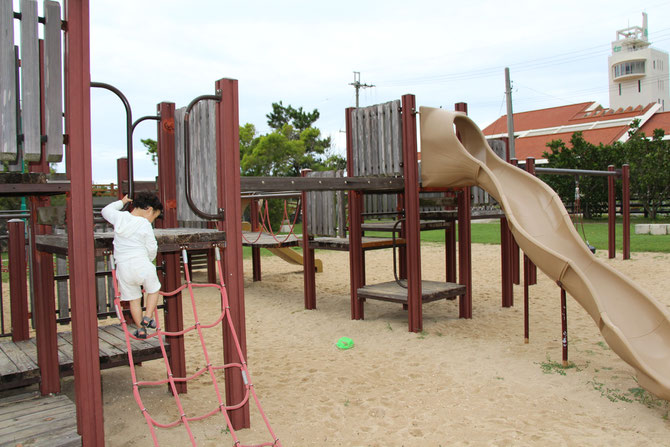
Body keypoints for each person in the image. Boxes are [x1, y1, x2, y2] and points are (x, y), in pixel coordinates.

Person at [101, 192, 163, 339]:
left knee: (134, 299)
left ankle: (141, 328)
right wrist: (149, 259)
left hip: (123, 267)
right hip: (141, 262)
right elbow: (152, 246)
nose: (152, 220)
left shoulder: (120, 218)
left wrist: (121, 202)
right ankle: (147, 317)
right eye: (153, 217)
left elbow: (105, 211)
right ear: (148, 209)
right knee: (154, 290)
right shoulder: (144, 224)